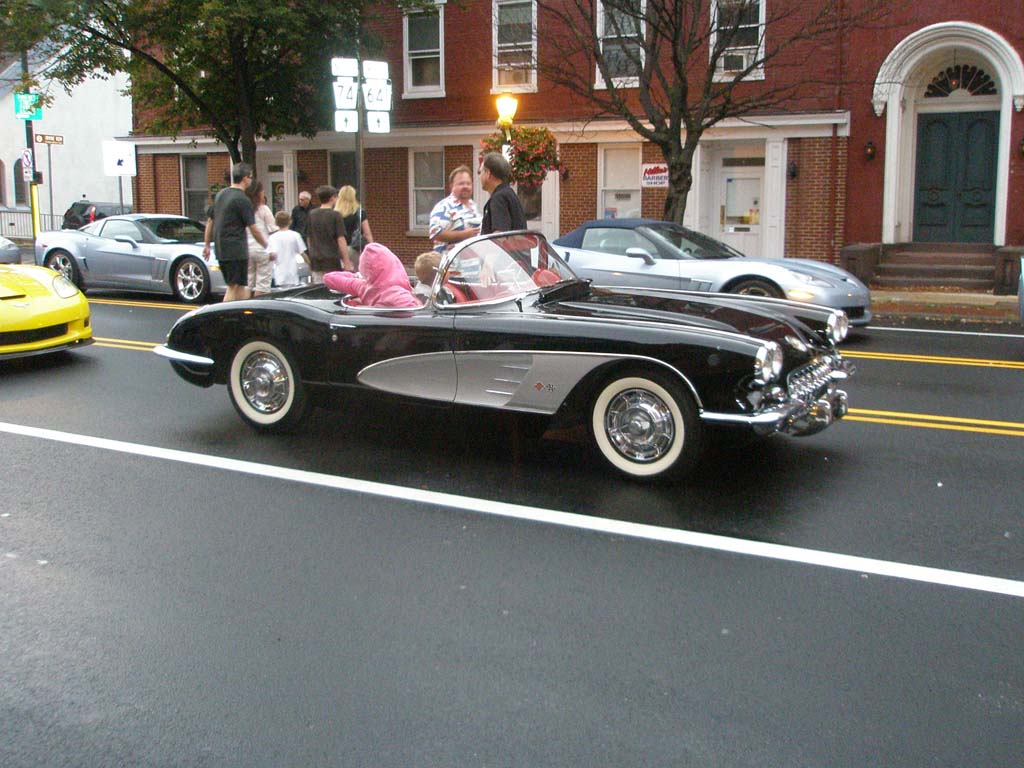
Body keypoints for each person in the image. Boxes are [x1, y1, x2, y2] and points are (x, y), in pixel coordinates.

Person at [203, 163, 268, 302]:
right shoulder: (242, 199)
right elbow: (253, 229)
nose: (251, 180)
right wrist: (267, 245)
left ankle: (239, 315)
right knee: (234, 287)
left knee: (239, 286)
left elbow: (210, 221)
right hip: (236, 249)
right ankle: (224, 317)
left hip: (221, 248)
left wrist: (207, 245)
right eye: (250, 177)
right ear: (245, 178)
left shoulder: (221, 194)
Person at [323, 243, 420, 308]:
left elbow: (329, 278)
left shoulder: (362, 286)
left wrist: (357, 276)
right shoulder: (396, 293)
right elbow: (415, 311)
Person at [428, 165, 481, 253]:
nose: (465, 187)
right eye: (461, 183)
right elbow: (435, 233)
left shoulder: (473, 205)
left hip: (474, 263)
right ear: (452, 186)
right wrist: (464, 234)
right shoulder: (444, 206)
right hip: (452, 264)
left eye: (468, 183)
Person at [306, 185, 352, 281]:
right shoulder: (335, 215)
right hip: (332, 260)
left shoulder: (311, 214)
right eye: (336, 197)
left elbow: (309, 237)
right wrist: (346, 261)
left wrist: (312, 253)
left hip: (316, 260)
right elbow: (341, 239)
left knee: (318, 288)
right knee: (333, 288)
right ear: (332, 198)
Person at [479, 152, 527, 235]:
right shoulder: (509, 193)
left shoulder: (498, 198)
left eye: (480, 172)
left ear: (488, 173)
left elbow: (499, 236)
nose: (479, 176)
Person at [245, 179, 278, 297]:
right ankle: (258, 307)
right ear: (258, 193)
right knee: (263, 283)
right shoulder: (264, 209)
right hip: (262, 248)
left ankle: (244, 307)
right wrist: (272, 249)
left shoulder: (244, 209)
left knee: (247, 283)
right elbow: (274, 230)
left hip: (246, 249)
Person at [269, 210, 309, 289]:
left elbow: (270, 256)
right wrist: (310, 264)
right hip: (292, 272)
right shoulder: (295, 235)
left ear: (276, 223)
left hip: (278, 273)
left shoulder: (272, 237)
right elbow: (302, 253)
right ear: (290, 221)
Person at [334, 185, 373, 264]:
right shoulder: (359, 212)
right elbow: (367, 233)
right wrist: (372, 247)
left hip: (337, 249)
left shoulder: (334, 213)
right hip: (354, 248)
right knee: (356, 273)